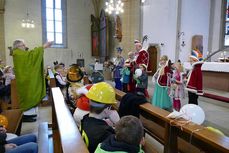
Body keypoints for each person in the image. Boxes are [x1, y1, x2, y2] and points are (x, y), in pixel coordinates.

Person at [12, 39, 52, 122]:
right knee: (27, 96)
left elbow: (30, 55)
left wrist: (43, 48)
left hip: (25, 79)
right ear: (18, 46)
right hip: (25, 80)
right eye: (23, 45)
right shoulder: (18, 53)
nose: (25, 47)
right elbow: (31, 56)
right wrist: (43, 46)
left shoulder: (19, 53)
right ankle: (24, 116)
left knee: (28, 97)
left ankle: (27, 116)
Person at [80, 82, 120, 153]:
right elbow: (122, 147)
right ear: (107, 109)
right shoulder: (105, 133)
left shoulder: (85, 118)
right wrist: (118, 123)